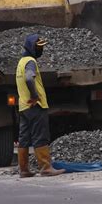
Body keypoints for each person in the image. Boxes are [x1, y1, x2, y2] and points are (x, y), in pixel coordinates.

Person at [16, 34, 65, 178]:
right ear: (32, 47)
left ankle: (23, 169)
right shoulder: (31, 61)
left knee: (24, 138)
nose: (41, 50)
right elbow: (29, 78)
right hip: (35, 106)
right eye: (39, 47)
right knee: (40, 136)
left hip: (24, 107)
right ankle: (46, 168)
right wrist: (35, 95)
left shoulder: (21, 62)